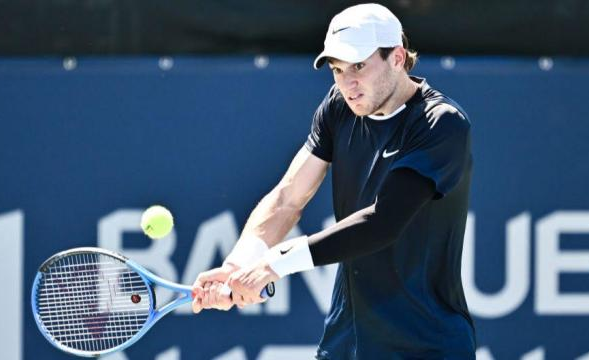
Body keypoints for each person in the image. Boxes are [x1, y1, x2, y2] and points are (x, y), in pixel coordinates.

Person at [192, 3, 476, 359]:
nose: (348, 84)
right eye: (338, 70)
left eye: (359, 66)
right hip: (346, 346)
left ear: (398, 57)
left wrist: (275, 263)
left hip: (427, 348)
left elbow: (383, 223)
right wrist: (241, 262)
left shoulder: (441, 124)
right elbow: (287, 199)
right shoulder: (338, 107)